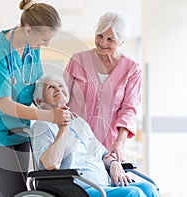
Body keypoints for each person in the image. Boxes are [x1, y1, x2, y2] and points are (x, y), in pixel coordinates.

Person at [0, 1, 72, 196]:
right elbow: (6, 106)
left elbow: (36, 87)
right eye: (45, 39)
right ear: (28, 30)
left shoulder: (32, 47)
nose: (47, 44)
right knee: (16, 193)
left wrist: (58, 105)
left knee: (23, 191)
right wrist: (50, 116)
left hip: (21, 131)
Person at [31, 75, 160, 197]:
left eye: (60, 85)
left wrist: (114, 163)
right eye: (51, 87)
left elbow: (103, 154)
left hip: (105, 183)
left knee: (149, 188)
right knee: (133, 194)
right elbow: (50, 164)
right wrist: (63, 127)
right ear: (40, 101)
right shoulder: (41, 126)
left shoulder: (79, 122)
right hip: (80, 189)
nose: (58, 88)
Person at [63, 12, 142, 162]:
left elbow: (129, 109)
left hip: (108, 145)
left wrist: (120, 143)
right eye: (100, 36)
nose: (103, 43)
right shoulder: (78, 59)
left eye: (110, 39)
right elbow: (61, 98)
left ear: (121, 42)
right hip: (74, 139)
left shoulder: (132, 68)